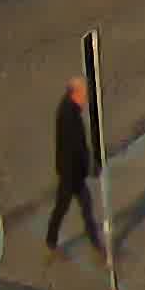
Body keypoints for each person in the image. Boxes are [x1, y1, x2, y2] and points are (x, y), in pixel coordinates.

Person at [46, 77, 105, 260]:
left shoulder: (70, 110)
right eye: (83, 94)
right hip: (70, 173)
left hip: (73, 172)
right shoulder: (68, 115)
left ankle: (95, 243)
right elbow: (75, 147)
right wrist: (88, 167)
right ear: (75, 94)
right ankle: (52, 241)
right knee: (63, 206)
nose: (85, 98)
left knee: (84, 206)